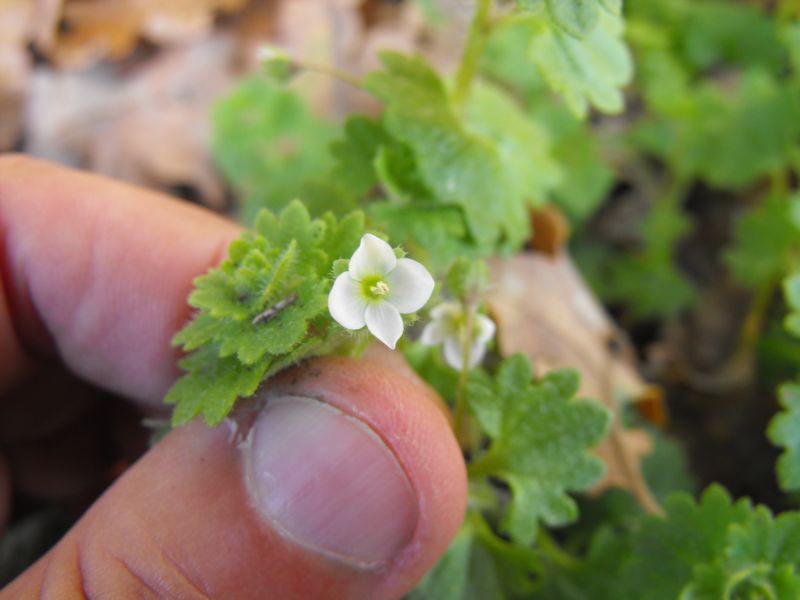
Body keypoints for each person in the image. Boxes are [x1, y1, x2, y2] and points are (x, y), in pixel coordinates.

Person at [0, 155, 467, 599]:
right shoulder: (353, 286)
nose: (378, 286)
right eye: (371, 283)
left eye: (378, 285)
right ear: (364, 276)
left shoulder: (379, 300)